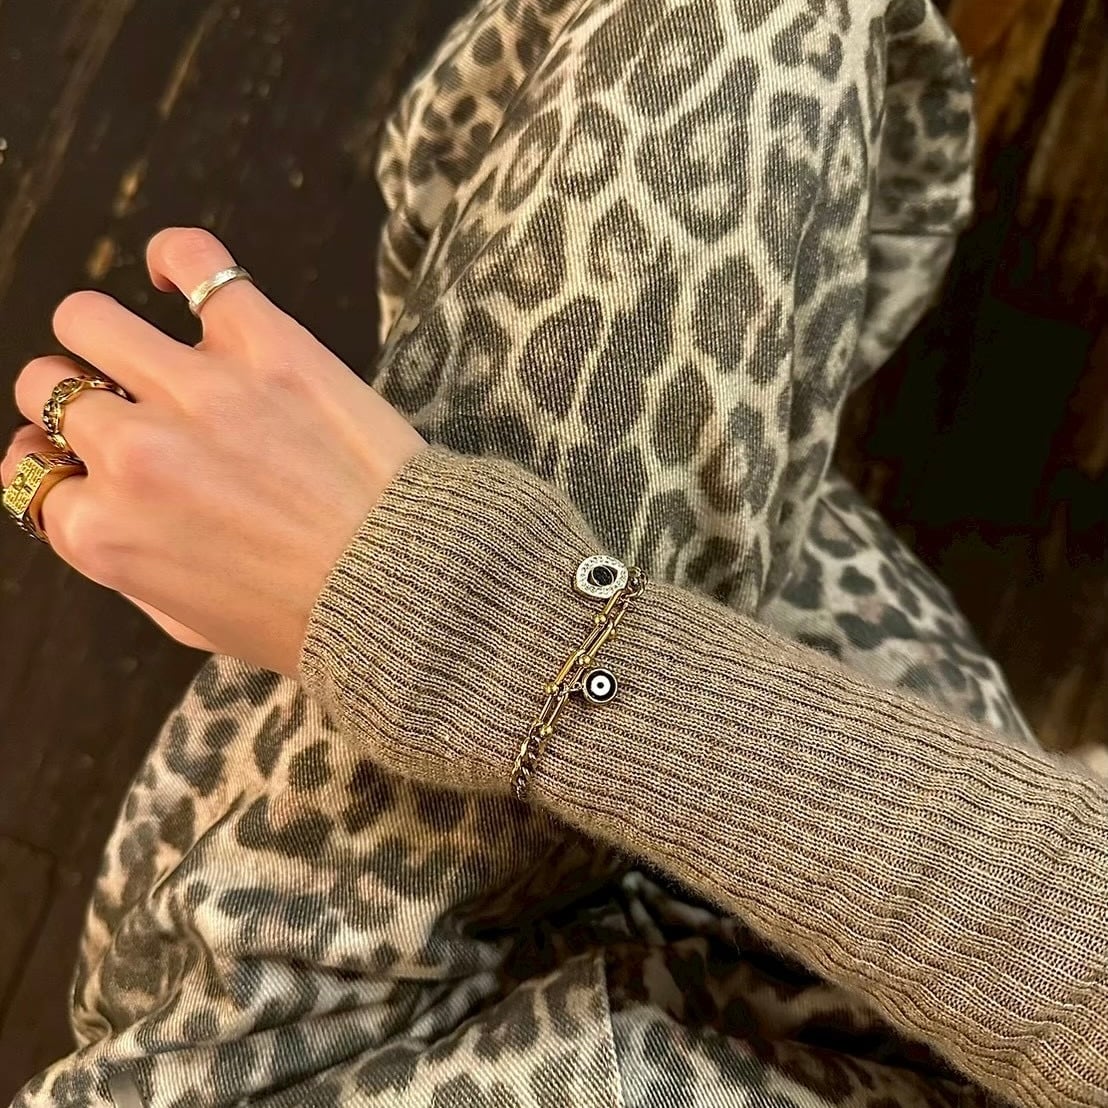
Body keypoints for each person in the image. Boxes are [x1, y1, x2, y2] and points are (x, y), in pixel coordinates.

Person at [4, 0, 1107, 1104]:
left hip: (297, 1055)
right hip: (943, 943)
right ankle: (749, 401)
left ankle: (425, 372)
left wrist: (476, 620)